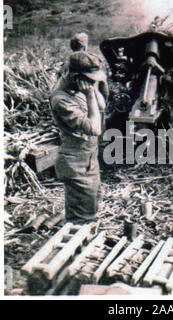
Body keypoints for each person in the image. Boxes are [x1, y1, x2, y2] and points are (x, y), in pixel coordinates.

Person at [50, 51, 108, 222]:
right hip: (76, 163)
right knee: (81, 218)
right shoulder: (61, 99)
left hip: (89, 159)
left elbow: (102, 105)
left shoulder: (79, 87)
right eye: (90, 79)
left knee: (92, 206)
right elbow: (95, 128)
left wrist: (94, 87)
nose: (93, 83)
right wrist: (90, 94)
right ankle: (76, 246)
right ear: (76, 76)